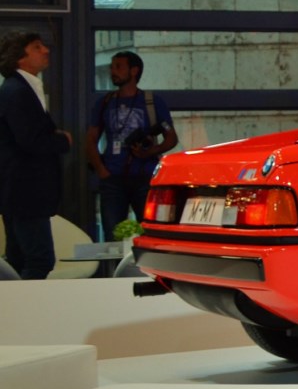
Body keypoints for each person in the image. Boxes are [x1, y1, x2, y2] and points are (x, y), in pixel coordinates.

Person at [0, 30, 72, 280]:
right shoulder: (18, 91)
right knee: (40, 259)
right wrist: (62, 140)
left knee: (19, 259)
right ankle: (24, 303)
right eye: (37, 47)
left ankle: (14, 302)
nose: (46, 51)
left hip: (19, 191)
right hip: (26, 191)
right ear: (20, 57)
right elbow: (29, 140)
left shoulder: (19, 88)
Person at [85, 50, 176, 237]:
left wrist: (151, 151)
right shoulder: (105, 103)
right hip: (113, 179)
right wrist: (101, 170)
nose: (113, 71)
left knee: (150, 232)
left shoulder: (152, 102)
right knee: (113, 236)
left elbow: (171, 138)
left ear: (134, 71)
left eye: (118, 67)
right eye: (112, 67)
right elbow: (91, 139)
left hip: (144, 177)